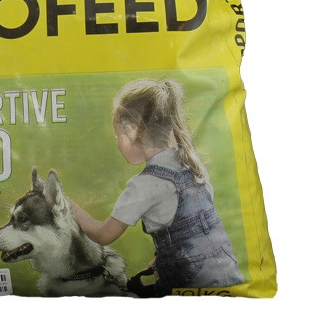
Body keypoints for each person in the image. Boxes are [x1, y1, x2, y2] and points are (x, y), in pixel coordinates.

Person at [69, 78, 244, 296]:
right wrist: (165, 258)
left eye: (117, 135)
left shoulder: (144, 185)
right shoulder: (190, 161)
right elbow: (200, 226)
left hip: (189, 285)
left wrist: (71, 208)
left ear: (131, 129)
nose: (117, 142)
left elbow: (103, 235)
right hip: (227, 275)